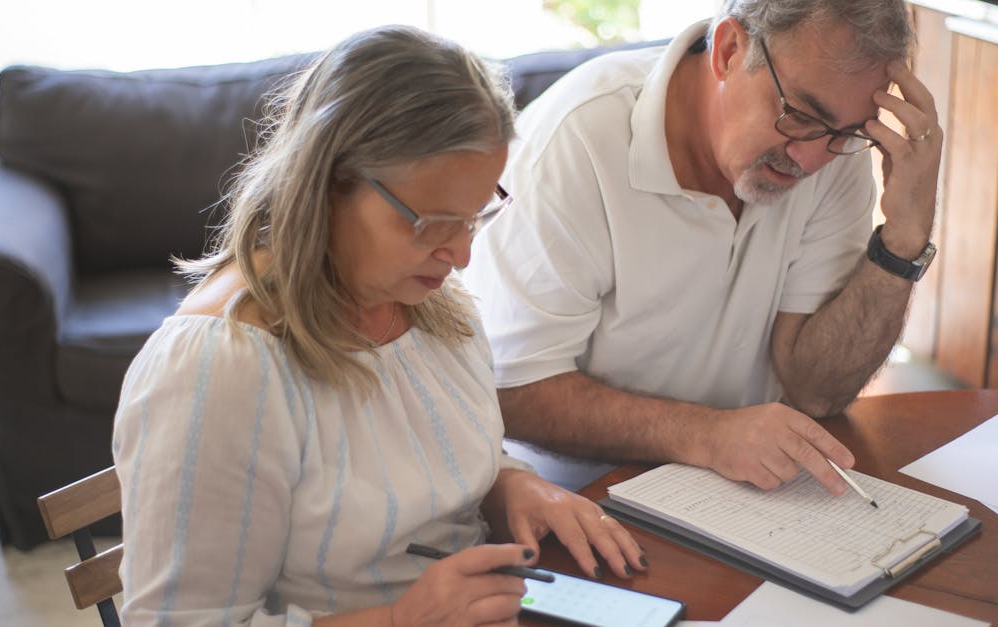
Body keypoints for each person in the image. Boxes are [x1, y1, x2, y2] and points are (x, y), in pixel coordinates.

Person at [112, 25, 646, 627]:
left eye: (475, 216)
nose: (461, 254)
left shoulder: (435, 306)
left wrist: (509, 486)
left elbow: (432, 466)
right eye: (432, 222)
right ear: (327, 182)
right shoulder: (220, 368)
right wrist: (402, 619)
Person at [464, 0, 942, 495]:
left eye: (845, 133)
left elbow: (817, 390)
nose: (813, 158)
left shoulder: (833, 152)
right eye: (799, 114)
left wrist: (902, 240)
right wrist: (706, 435)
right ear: (730, 50)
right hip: (578, 500)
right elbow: (511, 391)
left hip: (752, 491)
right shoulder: (574, 145)